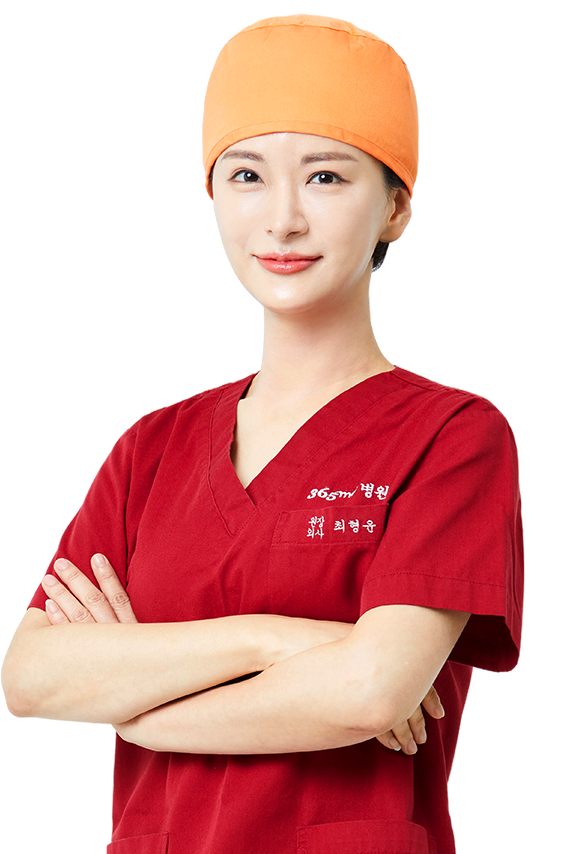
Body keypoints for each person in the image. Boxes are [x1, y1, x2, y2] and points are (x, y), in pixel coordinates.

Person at [0, 13, 524, 854]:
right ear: (214, 199)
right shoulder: (150, 450)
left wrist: (131, 704)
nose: (282, 220)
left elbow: (367, 693)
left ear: (394, 207)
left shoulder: (453, 437)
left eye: (326, 177)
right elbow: (30, 680)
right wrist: (277, 639)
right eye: (246, 175)